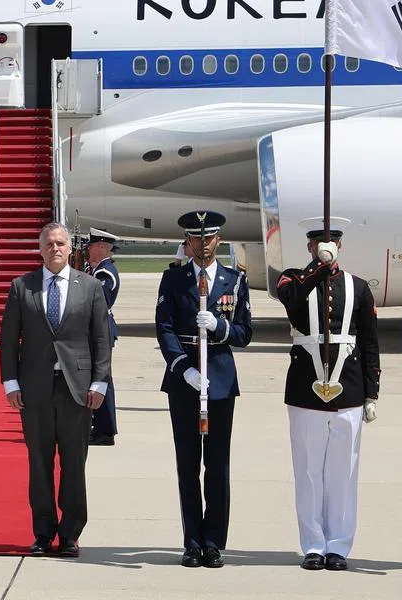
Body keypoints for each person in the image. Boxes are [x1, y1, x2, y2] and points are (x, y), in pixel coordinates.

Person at [0, 222, 111, 557]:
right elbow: (8, 340)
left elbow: (101, 340)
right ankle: (43, 532)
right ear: (41, 248)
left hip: (77, 390)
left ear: (69, 248)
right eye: (49, 244)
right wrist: (10, 382)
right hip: (35, 390)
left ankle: (70, 533)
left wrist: (99, 381)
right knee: (40, 464)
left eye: (61, 243)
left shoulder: (90, 287)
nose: (56, 248)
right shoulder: (23, 287)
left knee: (74, 465)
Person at [276, 217, 380, 571]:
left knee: (343, 472)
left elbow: (369, 343)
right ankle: (313, 544)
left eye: (332, 244)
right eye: (318, 244)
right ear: (309, 247)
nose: (326, 248)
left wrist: (372, 392)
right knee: (307, 471)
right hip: (306, 388)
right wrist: (316, 267)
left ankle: (338, 545)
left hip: (348, 388)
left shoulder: (359, 287)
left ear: (341, 246)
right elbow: (290, 298)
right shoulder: (293, 277)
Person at [155, 210, 251, 568]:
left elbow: (244, 333)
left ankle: (214, 542)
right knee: (187, 464)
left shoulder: (234, 280)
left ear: (218, 241)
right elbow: (164, 328)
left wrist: (219, 327)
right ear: (187, 242)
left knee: (217, 465)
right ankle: (192, 541)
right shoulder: (174, 280)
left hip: (221, 382)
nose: (202, 245)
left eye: (208, 238)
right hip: (185, 383)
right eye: (196, 239)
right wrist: (184, 369)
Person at [87, 228, 120, 446]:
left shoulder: (104, 274)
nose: (87, 249)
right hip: (95, 329)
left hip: (100, 329)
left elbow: (99, 303)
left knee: (102, 379)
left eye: (91, 245)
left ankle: (105, 430)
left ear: (101, 247)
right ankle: (99, 426)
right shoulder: (97, 270)